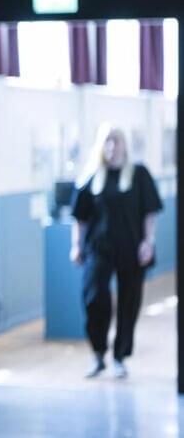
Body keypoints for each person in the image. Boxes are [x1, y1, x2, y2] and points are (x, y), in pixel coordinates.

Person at [70, 123, 162, 379]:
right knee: (93, 296)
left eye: (116, 141)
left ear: (124, 144)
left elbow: (150, 212)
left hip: (131, 247)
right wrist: (76, 245)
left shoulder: (138, 174)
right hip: (99, 248)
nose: (111, 146)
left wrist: (148, 241)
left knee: (128, 302)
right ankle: (98, 352)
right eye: (107, 141)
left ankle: (120, 356)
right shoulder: (92, 177)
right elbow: (80, 218)